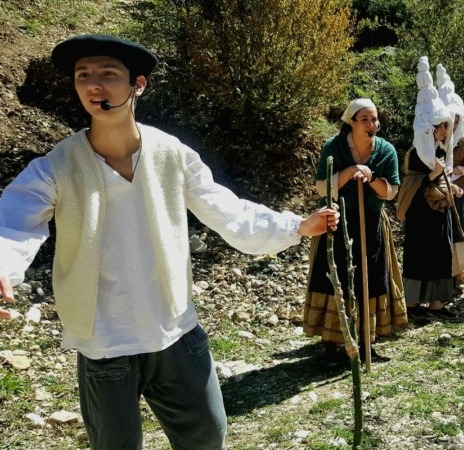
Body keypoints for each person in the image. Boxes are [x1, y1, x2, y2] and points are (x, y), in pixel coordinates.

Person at [0, 34, 340, 449]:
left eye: (108, 74)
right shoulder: (57, 166)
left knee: (206, 438)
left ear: (137, 85)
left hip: (175, 331)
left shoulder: (171, 154)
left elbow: (226, 210)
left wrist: (295, 227)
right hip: (104, 343)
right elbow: (14, 219)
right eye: (83, 75)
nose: (94, 86)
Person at [303, 98, 407, 367]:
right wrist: (349, 172)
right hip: (336, 222)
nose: (372, 125)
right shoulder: (334, 147)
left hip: (370, 222)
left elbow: (391, 191)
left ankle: (366, 340)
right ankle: (331, 344)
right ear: (351, 122)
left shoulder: (386, 151)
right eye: (366, 120)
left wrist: (371, 179)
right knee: (333, 276)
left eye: (375, 120)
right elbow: (320, 187)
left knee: (370, 278)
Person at [396, 57, 463, 320]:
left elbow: (443, 177)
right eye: (439, 126)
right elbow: (412, 183)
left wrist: (452, 188)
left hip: (440, 212)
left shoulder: (442, 150)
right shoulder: (416, 154)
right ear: (428, 128)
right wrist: (431, 176)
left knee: (441, 253)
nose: (444, 130)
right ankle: (412, 304)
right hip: (420, 215)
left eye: (446, 126)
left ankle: (437, 303)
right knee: (419, 255)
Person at [435, 65, 464, 291]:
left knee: (461, 234)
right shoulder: (435, 142)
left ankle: (460, 273)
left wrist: (455, 171)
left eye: (457, 119)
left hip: (461, 194)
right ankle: (445, 273)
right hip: (440, 195)